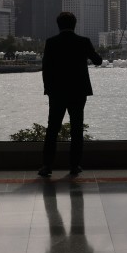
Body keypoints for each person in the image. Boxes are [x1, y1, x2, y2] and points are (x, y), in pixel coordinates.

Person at [39, 11, 103, 178]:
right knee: (77, 128)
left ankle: (47, 166)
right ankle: (74, 166)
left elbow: (46, 69)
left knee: (52, 128)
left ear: (58, 24)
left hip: (57, 92)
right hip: (78, 91)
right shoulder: (83, 42)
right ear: (75, 24)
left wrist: (48, 89)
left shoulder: (51, 42)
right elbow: (98, 61)